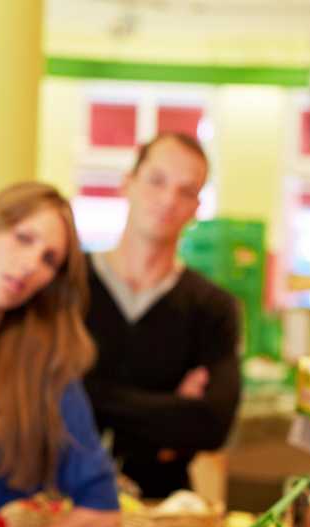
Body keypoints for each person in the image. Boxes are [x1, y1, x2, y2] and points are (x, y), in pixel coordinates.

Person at [0, 182, 120, 527]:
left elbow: (101, 506)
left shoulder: (44, 367)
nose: (30, 264)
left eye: (49, 259)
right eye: (23, 238)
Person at [83, 132, 241, 499]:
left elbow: (213, 425)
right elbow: (50, 398)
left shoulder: (213, 307)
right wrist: (172, 411)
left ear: (197, 207)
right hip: (58, 502)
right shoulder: (70, 286)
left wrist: (93, 398)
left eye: (186, 191)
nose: (169, 200)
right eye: (157, 181)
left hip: (162, 509)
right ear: (128, 184)